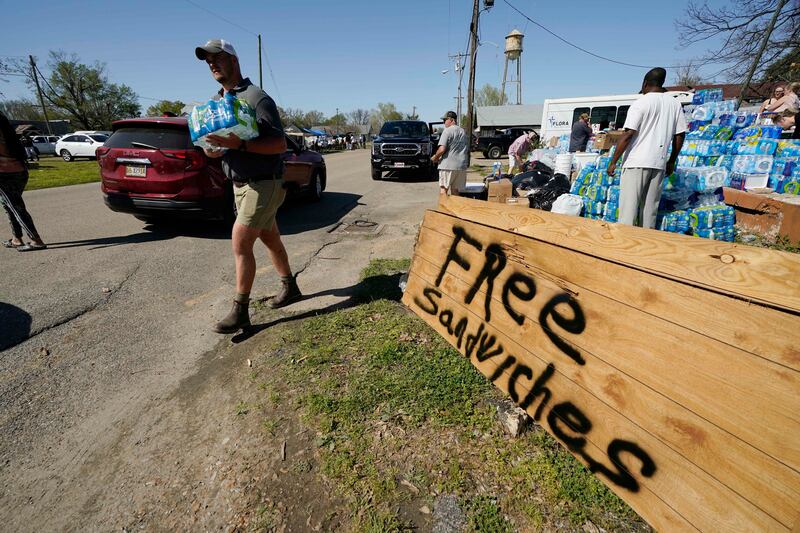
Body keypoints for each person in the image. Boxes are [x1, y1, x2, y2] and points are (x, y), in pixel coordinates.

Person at [195, 39, 302, 333]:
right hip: (239, 185)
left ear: (233, 60)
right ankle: (290, 287)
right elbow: (213, 145)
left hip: (264, 184)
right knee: (271, 239)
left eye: (217, 58)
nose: (213, 65)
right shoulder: (216, 103)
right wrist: (212, 149)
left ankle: (240, 310)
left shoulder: (257, 98)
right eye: (208, 62)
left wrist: (239, 144)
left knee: (241, 242)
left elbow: (279, 143)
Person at [607, 67, 687, 229]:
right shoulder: (674, 104)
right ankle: (645, 244)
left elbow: (628, 134)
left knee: (628, 209)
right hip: (658, 163)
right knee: (650, 210)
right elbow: (680, 135)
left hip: (636, 162)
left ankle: (625, 246)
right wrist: (671, 160)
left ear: (645, 84)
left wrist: (613, 161)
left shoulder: (641, 102)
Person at [0, 111, 46, 251]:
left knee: (15, 207)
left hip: (4, 174)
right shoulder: (7, 130)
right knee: (9, 205)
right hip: (20, 171)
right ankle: (16, 238)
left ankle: (36, 240)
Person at [431, 111, 468, 196]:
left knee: (443, 190)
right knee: (455, 191)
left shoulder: (447, 131)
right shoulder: (463, 132)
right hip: (461, 166)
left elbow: (441, 149)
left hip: (447, 166)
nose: (444, 122)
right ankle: (455, 209)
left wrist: (435, 158)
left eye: (445, 120)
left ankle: (443, 209)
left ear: (451, 120)